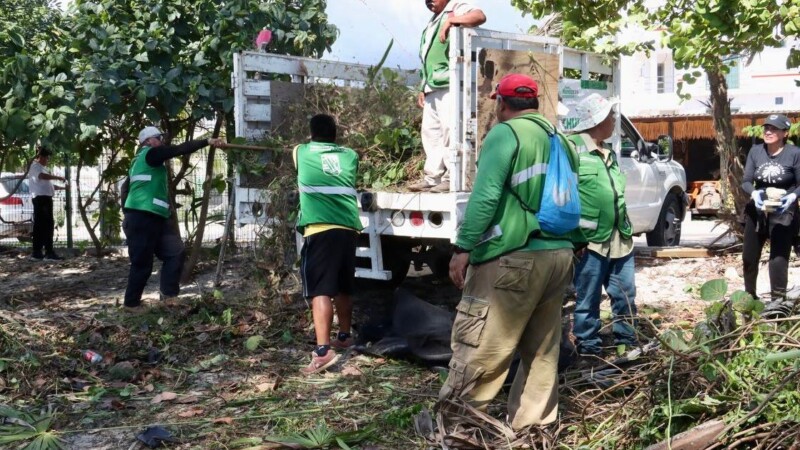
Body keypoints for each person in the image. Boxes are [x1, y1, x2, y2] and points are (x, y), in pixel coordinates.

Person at [440, 74, 583, 430]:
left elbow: (485, 196)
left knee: (482, 347)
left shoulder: (505, 134)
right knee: (542, 353)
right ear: (534, 103)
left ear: (501, 103)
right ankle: (532, 429)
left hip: (515, 256)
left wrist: (463, 247)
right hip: (559, 257)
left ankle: (455, 427)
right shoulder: (562, 140)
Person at [122, 127, 225, 311]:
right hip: (141, 218)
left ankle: (168, 297)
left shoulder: (140, 162)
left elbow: (125, 188)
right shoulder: (150, 154)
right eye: (158, 138)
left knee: (175, 252)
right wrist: (207, 141)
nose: (162, 141)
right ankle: (131, 304)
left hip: (155, 218)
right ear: (148, 141)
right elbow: (178, 149)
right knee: (142, 264)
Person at [567, 94, 638, 357]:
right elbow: (563, 196)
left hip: (620, 239)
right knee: (588, 299)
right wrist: (574, 238)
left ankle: (627, 345)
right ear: (596, 120)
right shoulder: (572, 149)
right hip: (589, 241)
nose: (614, 120)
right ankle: (589, 350)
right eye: (611, 116)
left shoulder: (609, 152)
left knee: (625, 296)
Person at [294, 114, 362, 375]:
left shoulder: (301, 152)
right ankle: (344, 336)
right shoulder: (350, 156)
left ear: (311, 134)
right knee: (343, 286)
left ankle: (323, 352)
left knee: (320, 290)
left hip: (320, 230)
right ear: (336, 135)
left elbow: (301, 153)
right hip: (348, 229)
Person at [407, 0, 486, 193]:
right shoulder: (433, 21)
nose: (429, 1)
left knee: (451, 130)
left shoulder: (456, 8)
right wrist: (423, 87)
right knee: (431, 133)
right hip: (432, 86)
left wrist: (452, 21)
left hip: (451, 83)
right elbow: (428, 59)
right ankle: (432, 177)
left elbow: (480, 16)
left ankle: (452, 177)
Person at [741, 114, 800, 317]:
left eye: (774, 129)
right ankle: (749, 299)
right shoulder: (756, 151)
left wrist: (792, 197)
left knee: (778, 258)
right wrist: (754, 194)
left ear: (785, 133)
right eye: (766, 128)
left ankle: (778, 304)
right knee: (749, 256)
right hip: (758, 209)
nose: (768, 132)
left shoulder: (794, 153)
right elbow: (746, 181)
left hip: (783, 210)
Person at [28, 147, 67, 260]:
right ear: (40, 157)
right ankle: (46, 252)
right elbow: (41, 176)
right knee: (45, 225)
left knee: (43, 225)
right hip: (41, 199)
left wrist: (63, 188)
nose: (47, 160)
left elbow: (48, 185)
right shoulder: (35, 166)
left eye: (47, 157)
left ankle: (40, 252)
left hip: (45, 199)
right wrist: (58, 177)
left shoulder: (42, 168)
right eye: (45, 157)